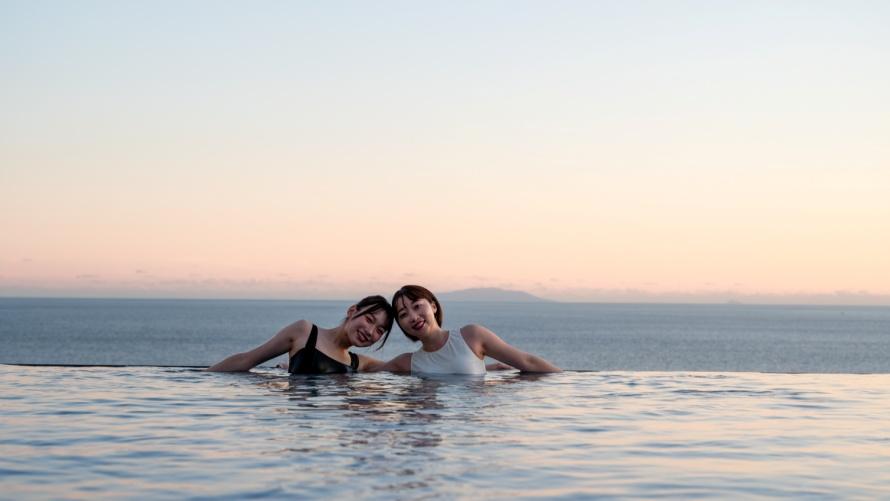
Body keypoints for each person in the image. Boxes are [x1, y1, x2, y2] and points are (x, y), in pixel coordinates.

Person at [368, 285, 561, 375]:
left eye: (417, 306)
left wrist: (566, 383)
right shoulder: (407, 362)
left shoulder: (471, 336)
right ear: (401, 325)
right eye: (403, 314)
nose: (413, 316)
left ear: (433, 306)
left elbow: (527, 361)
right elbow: (365, 369)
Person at [207, 295, 394, 374]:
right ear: (352, 311)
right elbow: (247, 359)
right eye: (369, 319)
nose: (370, 332)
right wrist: (204, 379)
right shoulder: (305, 332)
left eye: (380, 330)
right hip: (297, 432)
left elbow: (405, 365)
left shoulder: (359, 363)